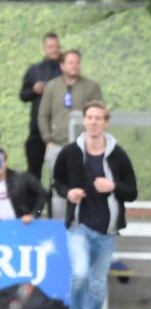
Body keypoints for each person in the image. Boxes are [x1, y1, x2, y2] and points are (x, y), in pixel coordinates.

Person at [52, 101, 137, 309]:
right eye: (89, 117)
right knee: (80, 274)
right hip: (79, 226)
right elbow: (57, 181)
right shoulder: (70, 152)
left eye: (98, 118)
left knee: (98, 284)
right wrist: (69, 193)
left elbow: (132, 191)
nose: (93, 122)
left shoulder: (117, 154)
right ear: (84, 121)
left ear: (106, 122)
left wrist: (114, 187)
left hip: (106, 230)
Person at [38, 49, 103, 219]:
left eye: (77, 62)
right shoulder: (52, 87)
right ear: (62, 65)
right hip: (57, 145)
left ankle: (86, 223)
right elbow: (43, 115)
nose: (74, 66)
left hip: (83, 147)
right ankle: (60, 225)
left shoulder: (91, 87)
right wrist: (48, 140)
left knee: (86, 185)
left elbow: (99, 113)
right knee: (58, 188)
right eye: (71, 62)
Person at [19, 32, 62, 180]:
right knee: (33, 172)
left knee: (57, 174)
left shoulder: (65, 70)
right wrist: (34, 90)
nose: (54, 50)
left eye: (56, 46)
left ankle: (54, 197)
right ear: (44, 49)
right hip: (37, 131)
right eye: (51, 47)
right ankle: (34, 197)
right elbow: (23, 95)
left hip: (59, 132)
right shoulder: (34, 70)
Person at [0, 146, 45, 222]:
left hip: (22, 226)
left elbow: (42, 193)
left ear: (6, 162)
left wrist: (34, 214)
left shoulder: (22, 178)